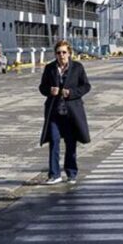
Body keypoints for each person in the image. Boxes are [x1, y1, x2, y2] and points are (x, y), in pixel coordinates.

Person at [39, 40, 92, 184]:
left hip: (71, 113)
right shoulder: (50, 68)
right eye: (58, 53)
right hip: (54, 113)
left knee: (70, 143)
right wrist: (50, 90)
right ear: (55, 54)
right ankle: (54, 174)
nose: (61, 55)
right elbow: (42, 87)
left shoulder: (77, 68)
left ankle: (71, 173)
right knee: (54, 142)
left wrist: (72, 93)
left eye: (64, 52)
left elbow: (86, 86)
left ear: (69, 54)